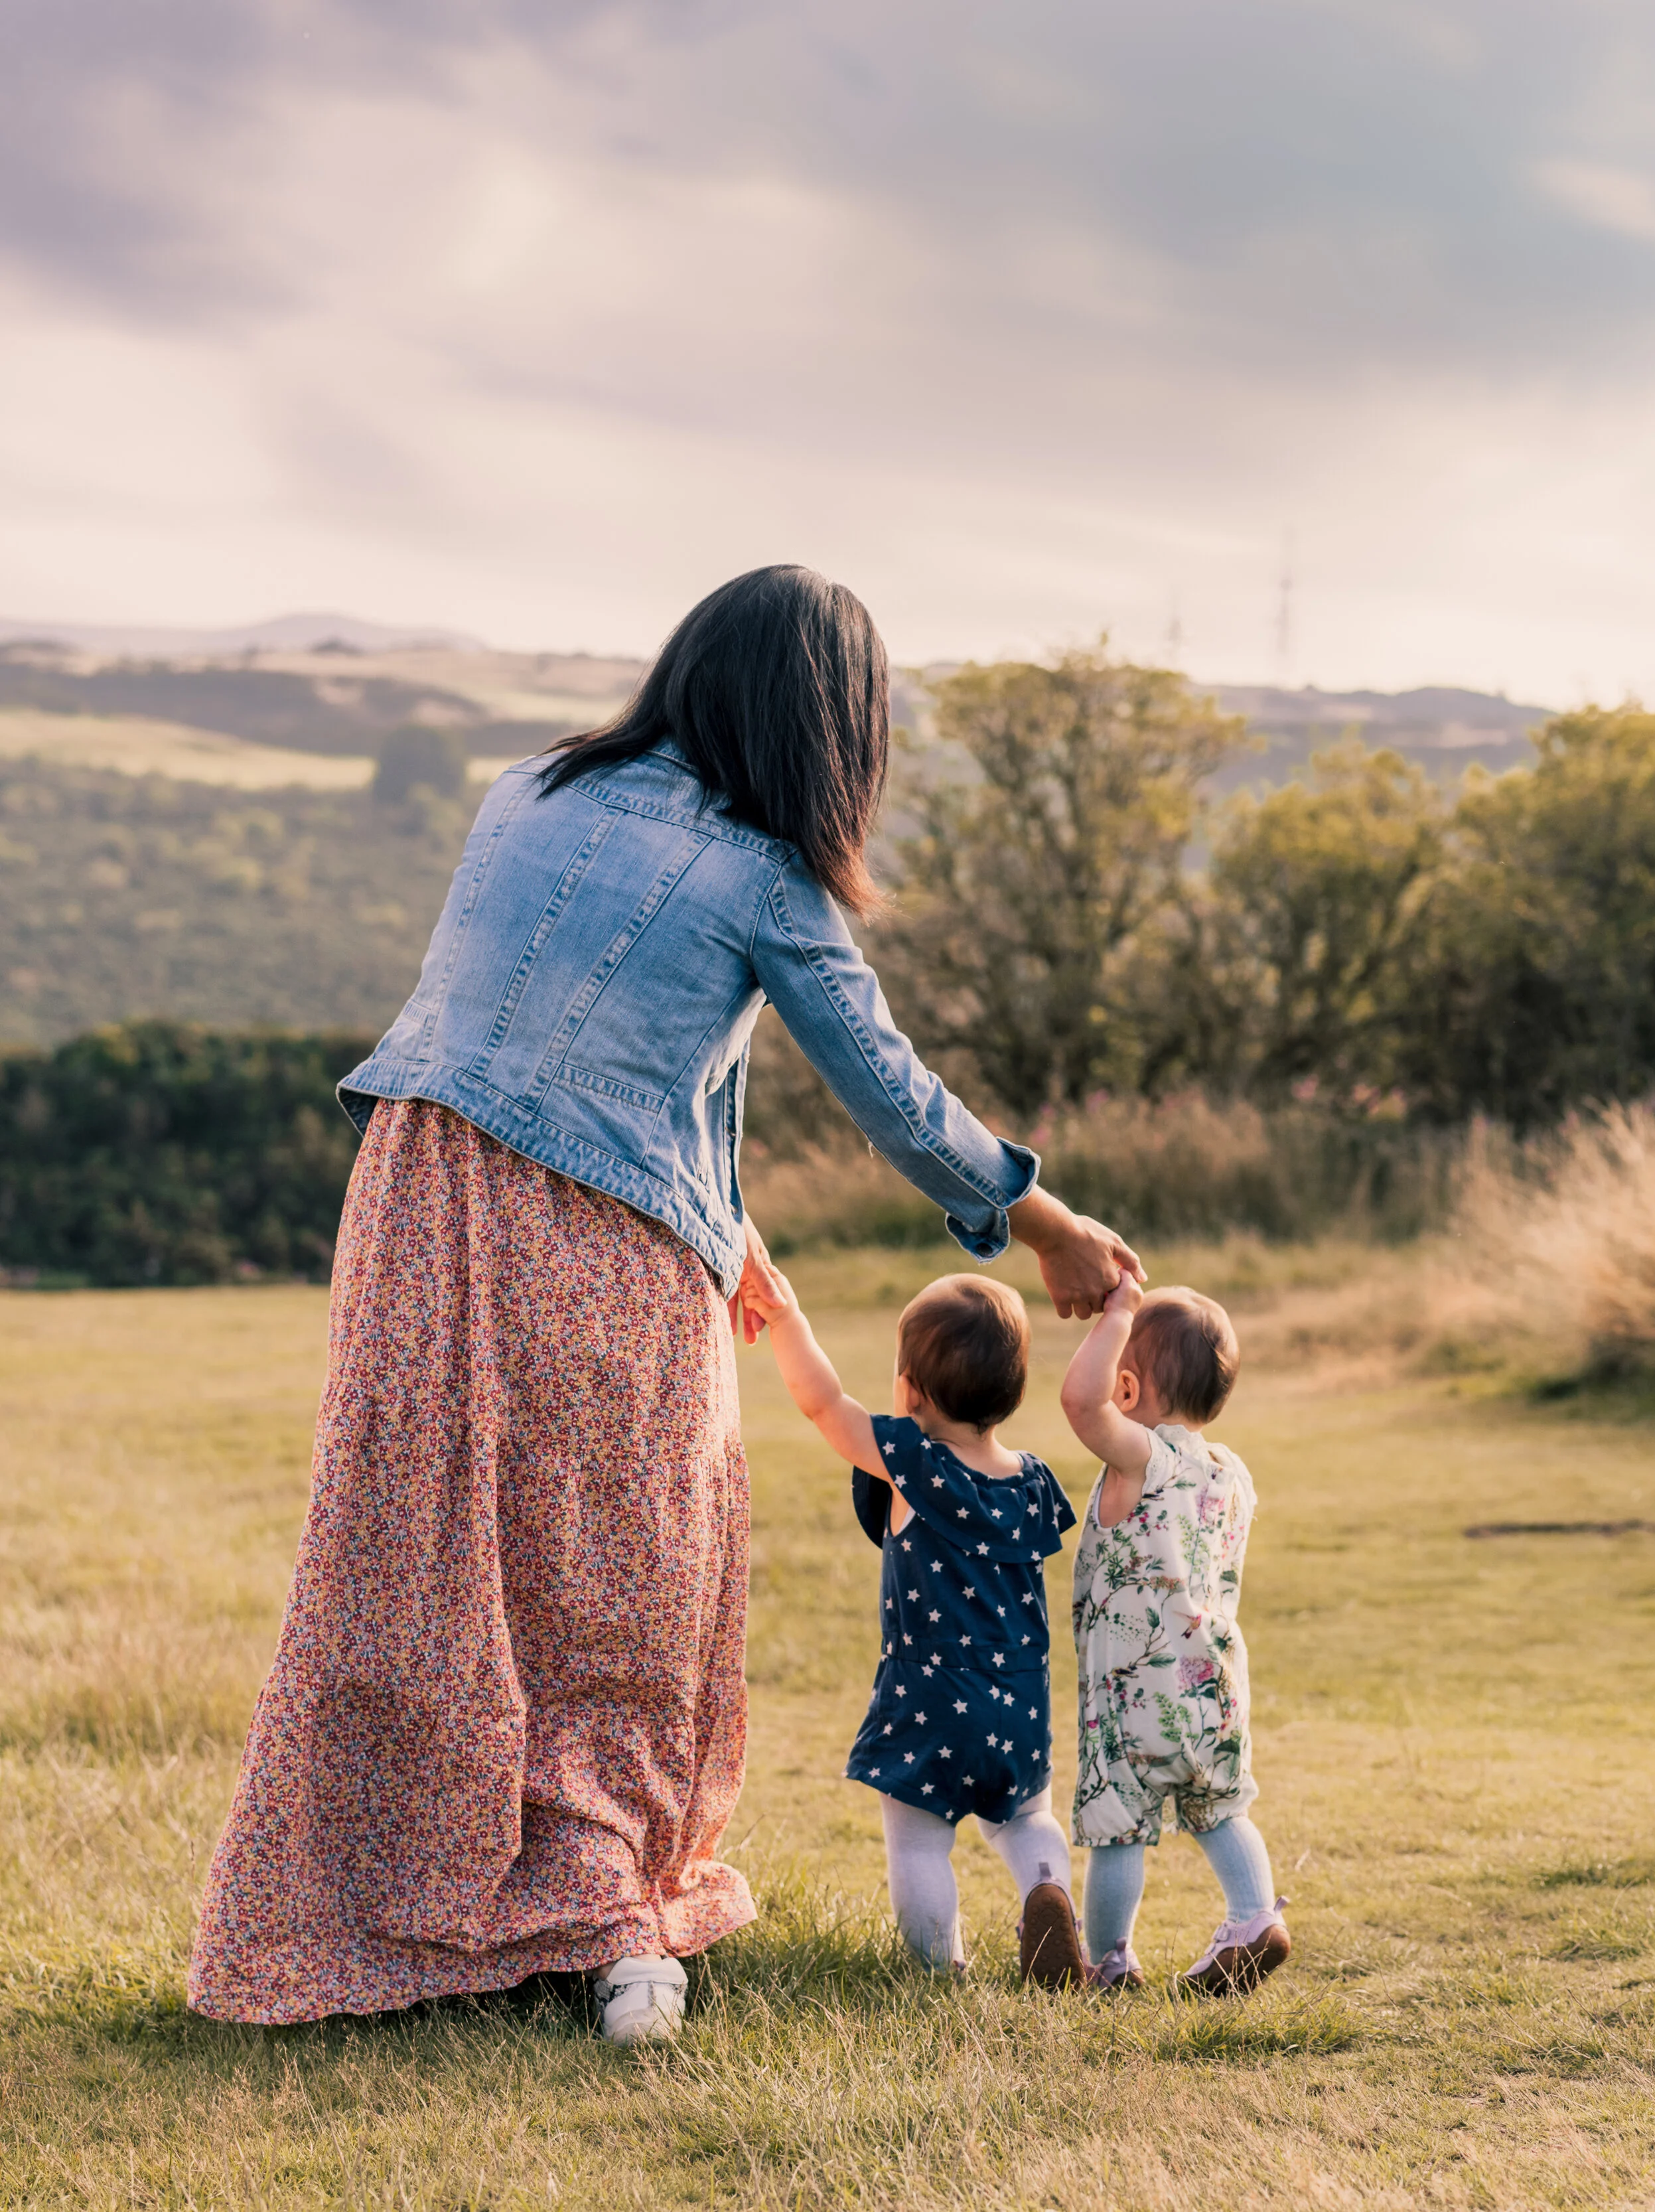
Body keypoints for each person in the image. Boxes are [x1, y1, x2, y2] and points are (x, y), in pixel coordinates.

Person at [186, 563, 1141, 2042]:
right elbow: (890, 1093)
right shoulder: (767, 875)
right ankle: (611, 1919)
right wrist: (1045, 1222)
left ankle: (369, 1912)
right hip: (592, 1234)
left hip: (410, 1197)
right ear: (828, 726)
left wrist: (728, 1211)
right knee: (625, 1574)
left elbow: (592, 1049)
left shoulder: (526, 791)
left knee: (415, 1560)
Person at [742, 1256, 1092, 1986]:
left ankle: (941, 1970)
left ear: (910, 1390)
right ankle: (1043, 1892)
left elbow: (823, 1403)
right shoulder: (1030, 1482)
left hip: (929, 1698)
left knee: (917, 1842)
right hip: (1019, 1700)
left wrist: (786, 1318)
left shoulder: (912, 1464)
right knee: (1025, 1819)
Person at [1060, 1276, 1290, 1995]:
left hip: (1133, 1691)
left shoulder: (1141, 1460)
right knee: (1220, 1808)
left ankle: (1110, 1961)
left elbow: (1077, 1402)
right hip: (1213, 1684)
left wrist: (1117, 1313)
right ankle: (1255, 1917)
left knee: (1118, 1828)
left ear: (1126, 1388)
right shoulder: (1231, 1473)